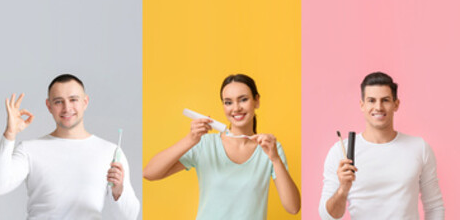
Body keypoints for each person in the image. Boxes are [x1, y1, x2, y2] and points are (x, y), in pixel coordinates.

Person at [143, 74, 300, 220]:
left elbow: (293, 208)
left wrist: (275, 159)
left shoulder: (270, 149)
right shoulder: (205, 144)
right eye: (228, 102)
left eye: (243, 99)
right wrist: (190, 140)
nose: (236, 108)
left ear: (256, 101)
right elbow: (150, 173)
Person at [0, 74, 139, 219]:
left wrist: (119, 190)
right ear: (49, 106)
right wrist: (10, 134)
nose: (66, 108)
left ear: (85, 102)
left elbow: (130, 216)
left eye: (73, 100)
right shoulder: (30, 149)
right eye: (58, 101)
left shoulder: (110, 152)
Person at [318, 72, 443, 219]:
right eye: (371, 100)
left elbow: (434, 206)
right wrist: (343, 189)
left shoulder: (419, 148)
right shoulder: (341, 152)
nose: (378, 107)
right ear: (362, 105)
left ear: (396, 104)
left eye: (385, 100)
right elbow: (327, 217)